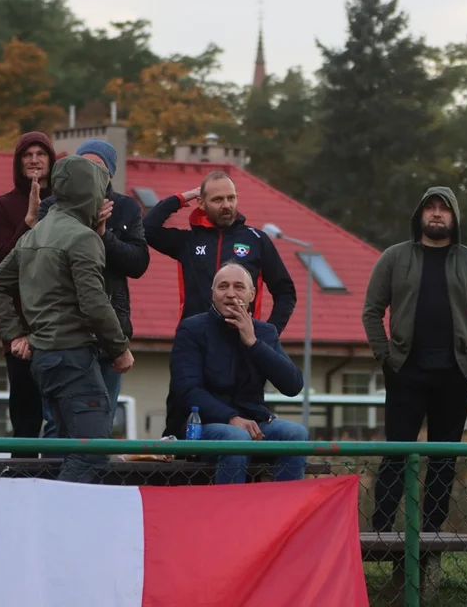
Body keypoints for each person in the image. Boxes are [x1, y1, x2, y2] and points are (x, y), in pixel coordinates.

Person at [0, 156, 134, 483]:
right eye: (99, 187)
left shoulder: (34, 234)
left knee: (68, 449)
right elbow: (94, 303)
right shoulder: (83, 238)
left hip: (45, 360)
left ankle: (59, 519)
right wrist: (120, 348)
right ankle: (59, 521)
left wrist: (16, 334)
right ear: (88, 191)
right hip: (74, 358)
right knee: (91, 454)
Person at [363, 187, 467, 533]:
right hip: (404, 373)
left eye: (444, 209)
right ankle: (380, 533)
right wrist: (386, 355)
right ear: (420, 216)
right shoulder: (395, 258)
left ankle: (430, 535)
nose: (437, 214)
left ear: (454, 218)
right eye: (431, 208)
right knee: (396, 454)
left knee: (443, 459)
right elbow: (372, 311)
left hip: (455, 374)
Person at [36, 140, 149, 433]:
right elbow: (45, 261)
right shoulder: (51, 207)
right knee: (57, 423)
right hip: (61, 331)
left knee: (100, 423)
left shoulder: (125, 207)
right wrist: (85, 229)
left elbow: (138, 263)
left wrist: (103, 236)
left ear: (110, 174)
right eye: (83, 165)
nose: (89, 173)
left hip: (108, 331)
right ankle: (54, 478)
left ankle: (88, 479)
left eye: (97, 168)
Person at [168, 262, 307, 483]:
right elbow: (186, 390)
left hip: (255, 423)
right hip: (203, 425)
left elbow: (293, 386)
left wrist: (253, 342)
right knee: (236, 437)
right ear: (212, 293)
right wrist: (230, 417)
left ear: (252, 294)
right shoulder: (191, 329)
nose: (231, 294)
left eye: (239, 287)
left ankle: (285, 512)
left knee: (295, 434)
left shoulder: (264, 332)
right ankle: (231, 513)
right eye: (223, 287)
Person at [143, 171, 297, 333]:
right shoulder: (188, 241)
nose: (226, 205)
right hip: (196, 341)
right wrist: (182, 198)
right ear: (201, 203)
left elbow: (285, 292)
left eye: (231, 198)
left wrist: (268, 332)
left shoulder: (257, 240)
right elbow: (147, 229)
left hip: (241, 343)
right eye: (218, 199)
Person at [0, 132, 56, 450]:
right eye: (27, 154)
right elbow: (3, 263)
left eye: (41, 153)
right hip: (20, 331)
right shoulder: (0, 207)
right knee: (26, 419)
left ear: (52, 161)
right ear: (18, 162)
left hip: (61, 326)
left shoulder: (65, 205)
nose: (35, 159)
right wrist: (28, 220)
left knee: (60, 419)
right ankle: (23, 482)